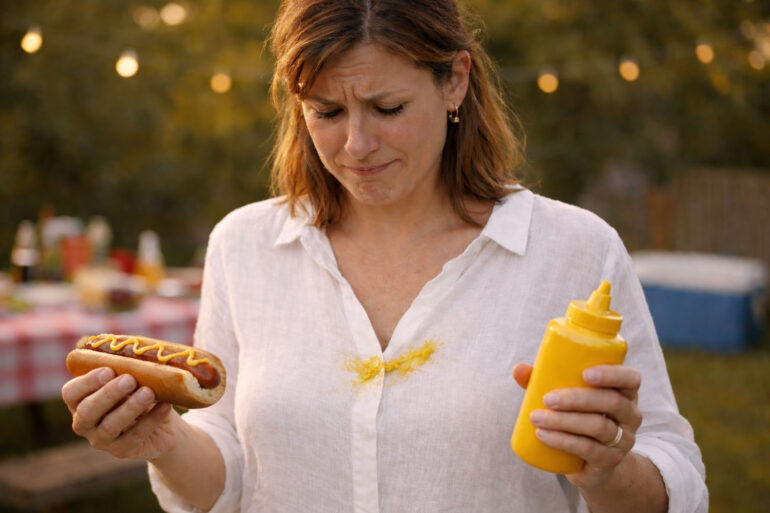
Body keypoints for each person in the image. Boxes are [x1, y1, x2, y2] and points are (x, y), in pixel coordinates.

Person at [61, 1, 708, 512]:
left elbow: (672, 472)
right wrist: (166, 443)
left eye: (387, 107)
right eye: (327, 111)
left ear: (454, 81)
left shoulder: (573, 250)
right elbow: (232, 475)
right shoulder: (244, 247)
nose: (355, 144)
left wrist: (610, 470)